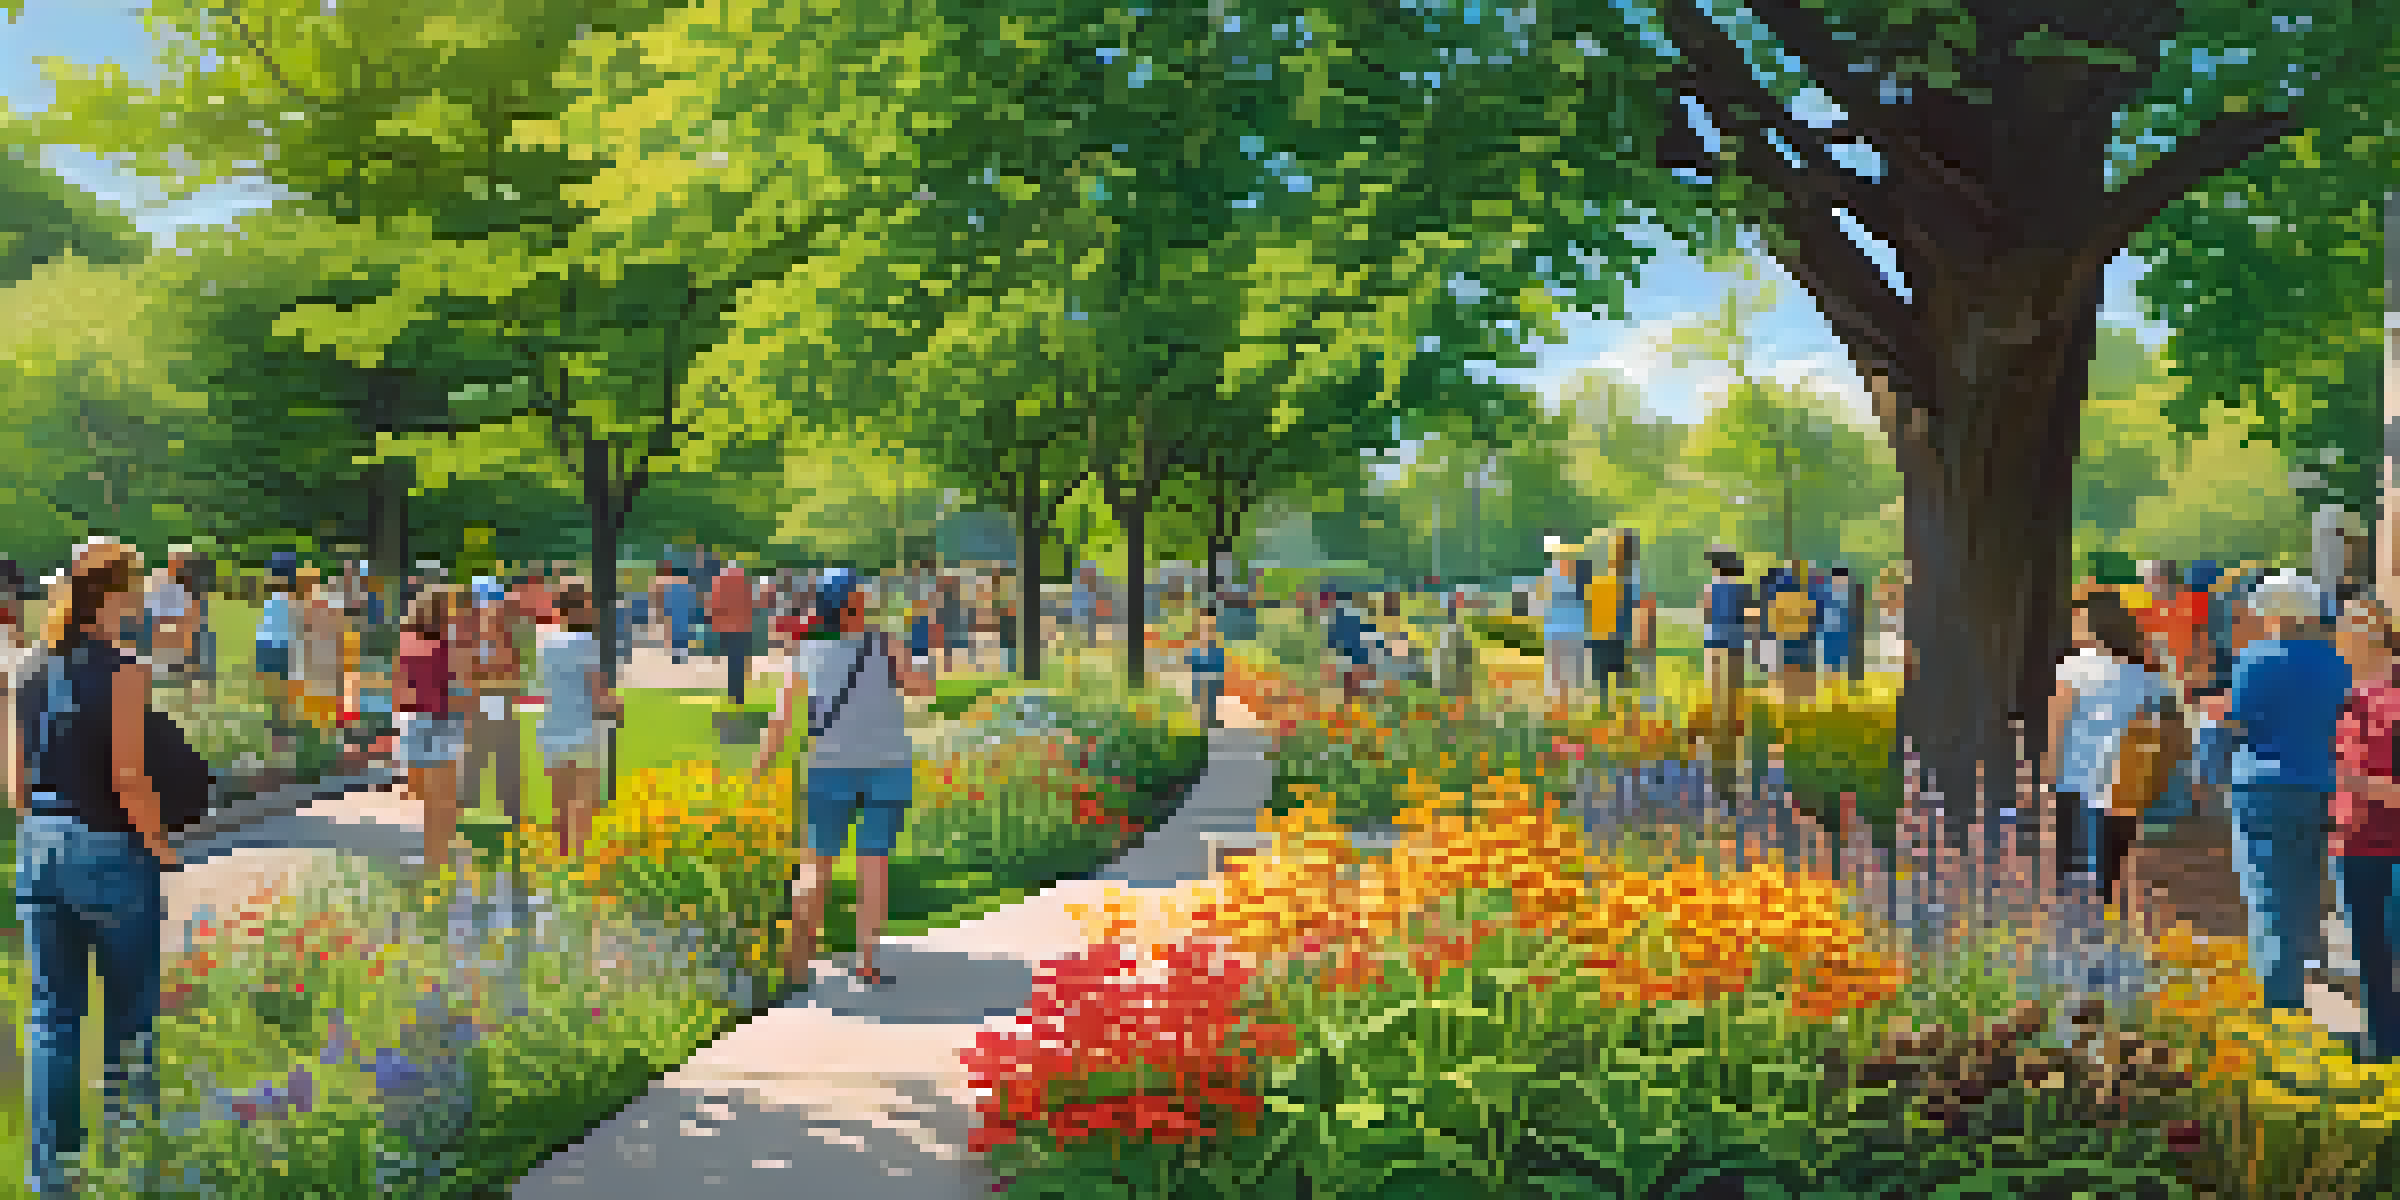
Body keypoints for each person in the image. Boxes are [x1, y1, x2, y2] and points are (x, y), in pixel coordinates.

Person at [10, 538, 174, 1197]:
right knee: (129, 1018)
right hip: (109, 848)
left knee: (53, 1017)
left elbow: (15, 787)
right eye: (132, 587)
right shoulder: (124, 671)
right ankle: (134, 1171)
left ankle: (56, 1178)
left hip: (40, 844)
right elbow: (129, 777)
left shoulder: (25, 668)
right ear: (111, 596)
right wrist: (160, 844)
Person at [752, 568, 935, 996]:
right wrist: (923, 654)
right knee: (874, 864)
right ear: (853, 602)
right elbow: (922, 688)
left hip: (827, 768)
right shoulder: (884, 644)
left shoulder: (807, 652)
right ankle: (866, 963)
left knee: (815, 865)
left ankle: (796, 965)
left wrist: (760, 767)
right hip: (887, 766)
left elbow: (781, 720)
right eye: (862, 592)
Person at [2197, 570, 2353, 1017]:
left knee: (2267, 891)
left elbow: (2236, 722)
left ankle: (2280, 1005)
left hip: (2263, 785)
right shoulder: (2337, 663)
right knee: (2308, 889)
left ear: (2272, 614)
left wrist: (2207, 768)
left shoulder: (2256, 659)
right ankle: (2311, 975)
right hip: (2324, 783)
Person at [2043, 587, 2176, 910]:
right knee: (2109, 872)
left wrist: (2048, 771)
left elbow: (2058, 722)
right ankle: (2102, 929)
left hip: (2076, 778)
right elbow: (2165, 728)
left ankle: (2073, 936)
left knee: (2071, 871)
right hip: (2126, 782)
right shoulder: (2147, 674)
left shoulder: (2074, 666)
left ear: (2092, 624)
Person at [2332, 597, 2400, 1062]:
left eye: (2357, 625)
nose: (2347, 635)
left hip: (2392, 844)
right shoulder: (2339, 692)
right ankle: (2382, 1047)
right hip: (2350, 842)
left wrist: (2354, 783)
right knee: (2370, 956)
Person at [536, 582, 621, 860]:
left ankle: (561, 854)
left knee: (559, 800)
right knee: (583, 798)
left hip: (553, 726)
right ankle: (579, 858)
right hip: (583, 728)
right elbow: (598, 693)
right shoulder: (589, 644)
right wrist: (616, 707)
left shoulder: (547, 644)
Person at [394, 586, 469, 876]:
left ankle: (432, 855)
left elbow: (400, 684)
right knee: (445, 795)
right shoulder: (449, 645)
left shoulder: (406, 641)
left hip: (414, 719)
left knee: (427, 797)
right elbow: (460, 686)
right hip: (443, 719)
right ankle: (443, 854)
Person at [458, 577, 525, 828]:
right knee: (476, 756)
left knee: (505, 755)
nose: (495, 609)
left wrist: (491, 673)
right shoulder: (470, 634)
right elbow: (467, 671)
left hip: (500, 701)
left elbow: (512, 671)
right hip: (478, 702)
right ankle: (466, 810)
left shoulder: (504, 634)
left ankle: (511, 811)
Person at [1699, 549, 1754, 763]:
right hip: (1736, 645)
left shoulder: (1709, 589)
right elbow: (1750, 618)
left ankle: (1716, 730)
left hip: (1714, 643)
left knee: (1715, 690)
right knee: (1734, 689)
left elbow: (1706, 615)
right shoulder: (1743, 589)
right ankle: (1734, 731)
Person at [1540, 535, 1588, 708]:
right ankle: (1560, 704)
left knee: (1570, 672)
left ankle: (1568, 703)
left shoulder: (1577, 574)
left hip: (1570, 631)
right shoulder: (1554, 574)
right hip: (1561, 631)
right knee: (1560, 673)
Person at [711, 555, 758, 706]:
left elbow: (715, 605)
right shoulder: (745, 583)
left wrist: (716, 624)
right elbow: (751, 605)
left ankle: (734, 693)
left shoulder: (719, 582)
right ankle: (739, 694)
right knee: (739, 661)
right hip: (743, 627)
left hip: (727, 628)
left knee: (732, 660)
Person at [1187, 607, 1227, 729]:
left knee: (1212, 702)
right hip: (1200, 677)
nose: (1208, 629)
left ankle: (1211, 722)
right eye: (1204, 625)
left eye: (1211, 625)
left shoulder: (1217, 647)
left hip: (1213, 677)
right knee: (1202, 701)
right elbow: (1192, 662)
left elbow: (1220, 663)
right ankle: (1204, 723)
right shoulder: (1195, 646)